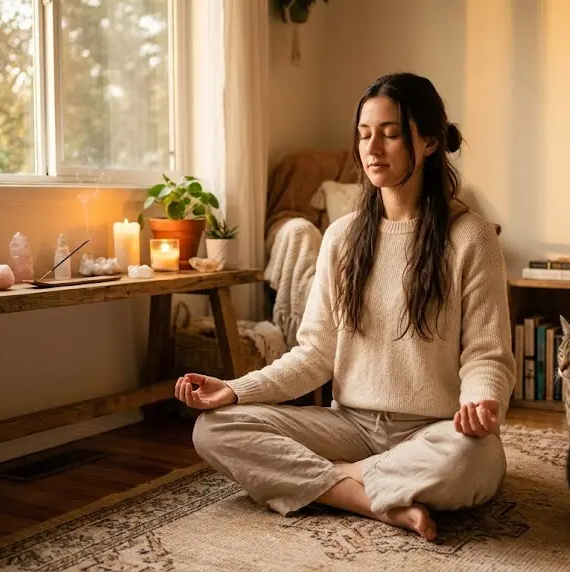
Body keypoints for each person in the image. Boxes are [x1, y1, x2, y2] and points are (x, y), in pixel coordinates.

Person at [173, 72, 516, 541]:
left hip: (435, 430)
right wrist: (236, 390)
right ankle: (366, 496)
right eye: (364, 135)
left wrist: (482, 400)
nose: (373, 149)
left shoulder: (470, 236)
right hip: (349, 424)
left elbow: (486, 353)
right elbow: (315, 354)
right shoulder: (342, 237)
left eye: (391, 134)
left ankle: (335, 478)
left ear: (430, 140)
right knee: (214, 430)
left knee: (473, 458)